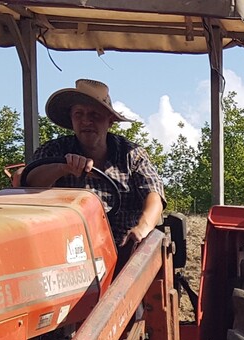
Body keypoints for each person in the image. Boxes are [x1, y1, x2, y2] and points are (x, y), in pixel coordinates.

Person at [18, 79, 165, 256]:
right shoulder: (53, 151)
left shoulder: (131, 154)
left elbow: (154, 195)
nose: (86, 121)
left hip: (124, 250)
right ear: (71, 119)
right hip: (66, 250)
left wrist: (142, 228)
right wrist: (62, 168)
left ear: (110, 121)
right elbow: (27, 184)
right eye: (79, 114)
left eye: (94, 115)